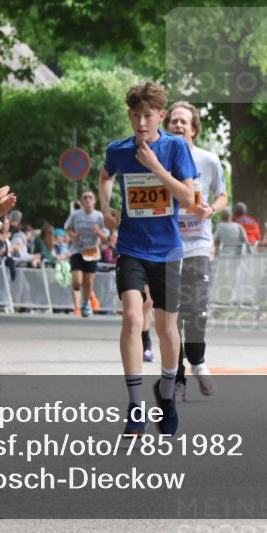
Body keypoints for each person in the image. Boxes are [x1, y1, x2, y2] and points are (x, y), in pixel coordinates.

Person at [99, 81, 195, 436]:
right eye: (136, 116)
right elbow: (105, 175)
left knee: (167, 328)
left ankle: (167, 397)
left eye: (149, 116)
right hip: (131, 247)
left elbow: (187, 198)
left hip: (167, 250)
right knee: (130, 316)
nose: (142, 123)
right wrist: (107, 204)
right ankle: (136, 405)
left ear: (161, 116)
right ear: (130, 115)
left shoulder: (174, 148)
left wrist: (156, 167)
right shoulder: (118, 150)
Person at [166, 101, 227, 399]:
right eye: (173, 121)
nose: (178, 126)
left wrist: (211, 210)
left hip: (199, 245)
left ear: (194, 129)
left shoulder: (209, 160)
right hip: (166, 247)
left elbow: (223, 195)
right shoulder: (158, 161)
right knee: (171, 316)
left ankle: (198, 363)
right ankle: (177, 377)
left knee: (197, 310)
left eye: (183, 122)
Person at [64, 190, 109, 317]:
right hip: (77, 250)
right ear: (82, 201)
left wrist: (98, 231)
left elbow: (105, 236)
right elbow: (67, 228)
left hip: (91, 251)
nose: (88, 200)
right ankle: (82, 297)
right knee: (77, 283)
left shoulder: (99, 216)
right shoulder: (76, 215)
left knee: (89, 281)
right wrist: (74, 235)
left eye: (90, 197)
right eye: (85, 197)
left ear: (94, 201)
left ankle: (85, 304)